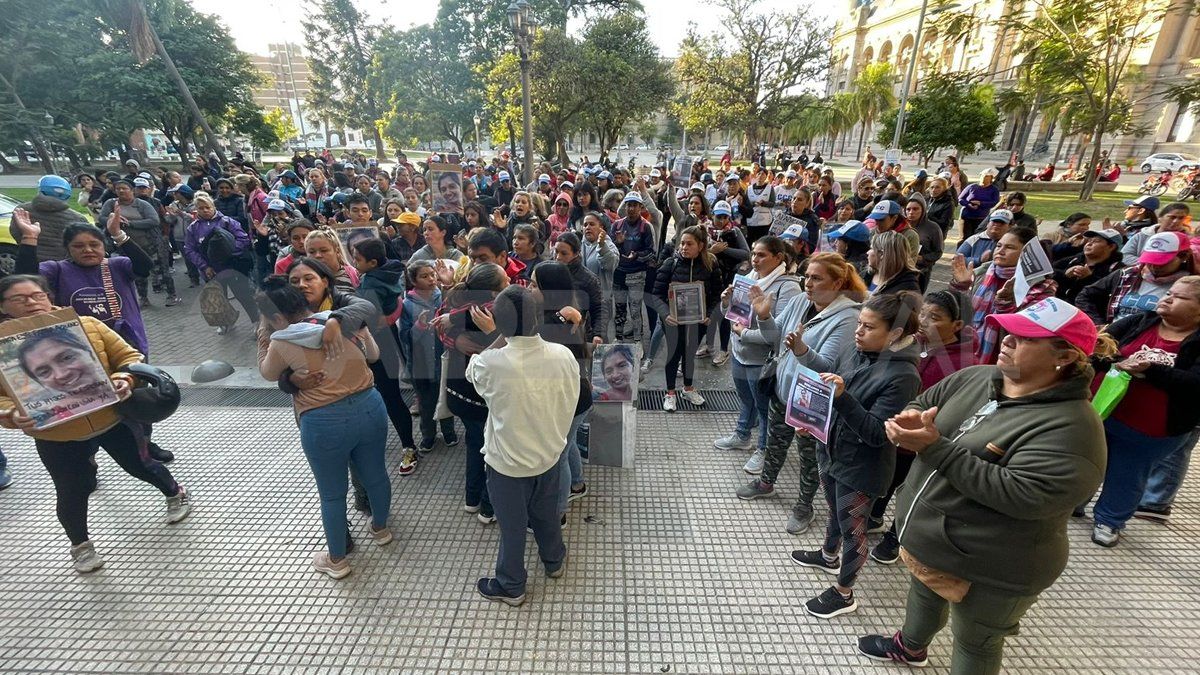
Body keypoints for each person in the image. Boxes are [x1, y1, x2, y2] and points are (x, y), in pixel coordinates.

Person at [862, 298, 1105, 674]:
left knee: (976, 642)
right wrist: (909, 416)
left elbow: (1024, 496)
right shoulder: (977, 378)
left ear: (1066, 357)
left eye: (1026, 337)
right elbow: (923, 400)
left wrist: (934, 448)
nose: (1007, 340)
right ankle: (910, 647)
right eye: (1009, 330)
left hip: (994, 567)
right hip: (935, 543)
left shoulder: (1073, 428)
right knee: (924, 596)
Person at [0, 275, 190, 573]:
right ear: (4, 307)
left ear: (48, 296)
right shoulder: (3, 348)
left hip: (112, 418)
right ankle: (80, 545)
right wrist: (12, 413)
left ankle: (175, 493)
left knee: (141, 464)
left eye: (37, 295)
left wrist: (124, 378)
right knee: (71, 489)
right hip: (57, 434)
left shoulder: (86, 325)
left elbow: (128, 356)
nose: (31, 303)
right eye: (19, 299)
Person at [791, 291, 922, 619]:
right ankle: (827, 555)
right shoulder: (856, 350)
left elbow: (878, 434)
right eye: (859, 324)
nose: (858, 331)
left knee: (854, 529)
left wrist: (843, 397)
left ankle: (844, 592)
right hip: (832, 449)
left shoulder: (904, 376)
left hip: (863, 466)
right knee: (834, 513)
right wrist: (812, 421)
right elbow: (831, 385)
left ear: (895, 334)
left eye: (869, 327)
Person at [255, 277, 390, 580]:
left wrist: (263, 339)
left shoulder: (281, 340)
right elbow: (374, 356)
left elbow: (267, 373)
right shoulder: (339, 320)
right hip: (370, 406)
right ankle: (381, 530)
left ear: (276, 318)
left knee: (331, 494)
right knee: (377, 474)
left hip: (323, 420)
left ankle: (337, 560)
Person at [736, 254, 866, 535]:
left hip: (812, 402)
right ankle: (766, 483)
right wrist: (764, 316)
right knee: (775, 440)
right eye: (807, 276)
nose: (808, 283)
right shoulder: (800, 301)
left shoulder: (847, 318)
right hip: (783, 391)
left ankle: (805, 506)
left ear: (838, 282)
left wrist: (802, 351)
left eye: (817, 278)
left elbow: (827, 366)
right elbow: (774, 335)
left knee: (810, 456)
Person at [469, 285, 576, 607]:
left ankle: (511, 584)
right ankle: (554, 561)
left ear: (500, 324)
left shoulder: (492, 362)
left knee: (513, 527)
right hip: (550, 456)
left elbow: (474, 370)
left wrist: (499, 334)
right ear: (538, 319)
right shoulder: (563, 355)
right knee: (545, 514)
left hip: (508, 465)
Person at [1085, 276, 1200, 547]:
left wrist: (1151, 370)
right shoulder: (1139, 321)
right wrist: (1118, 362)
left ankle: (1109, 520)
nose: (1168, 298)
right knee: (1086, 461)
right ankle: (1074, 502)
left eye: (1181, 297)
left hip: (1153, 428)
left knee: (1127, 473)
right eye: (1170, 292)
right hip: (1102, 412)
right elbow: (1096, 349)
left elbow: (1195, 384)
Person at [869, 289, 976, 565]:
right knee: (889, 478)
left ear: (957, 326)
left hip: (924, 441)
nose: (925, 321)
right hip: (896, 432)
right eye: (923, 313)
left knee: (910, 487)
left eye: (935, 317)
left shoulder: (961, 363)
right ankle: (875, 516)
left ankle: (896, 536)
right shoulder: (912, 343)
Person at [714, 236, 803, 455]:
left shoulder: (788, 288)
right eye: (753, 253)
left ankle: (764, 450)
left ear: (779, 257)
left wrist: (745, 334)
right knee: (746, 399)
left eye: (761, 255)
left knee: (764, 408)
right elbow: (733, 316)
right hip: (740, 353)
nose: (755, 259)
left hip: (762, 359)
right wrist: (726, 302)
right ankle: (742, 434)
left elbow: (779, 333)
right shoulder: (748, 278)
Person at [437, 263, 509, 525]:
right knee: (491, 450)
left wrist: (452, 332)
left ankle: (471, 498)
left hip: (459, 392)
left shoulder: (452, 304)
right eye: (505, 280)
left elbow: (439, 322)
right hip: (482, 395)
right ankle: (488, 508)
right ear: (492, 293)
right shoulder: (492, 314)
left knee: (473, 442)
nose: (511, 281)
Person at [351, 237, 419, 476]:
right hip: (386, 337)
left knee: (388, 395)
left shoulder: (370, 283)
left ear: (372, 262)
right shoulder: (391, 270)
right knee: (388, 394)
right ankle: (406, 443)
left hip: (375, 341)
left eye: (357, 259)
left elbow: (365, 318)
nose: (354, 263)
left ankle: (408, 445)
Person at [951, 227, 1057, 364]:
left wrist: (1005, 305)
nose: (1000, 251)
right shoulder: (981, 272)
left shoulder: (1042, 287)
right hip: (967, 350)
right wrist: (960, 286)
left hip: (1005, 357)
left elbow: (1028, 328)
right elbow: (959, 312)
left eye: (1010, 247)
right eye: (999, 245)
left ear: (1026, 254)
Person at [651, 226, 724, 411]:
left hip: (698, 322)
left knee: (690, 354)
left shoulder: (711, 265)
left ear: (700, 245)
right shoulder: (670, 264)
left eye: (689, 244)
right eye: (682, 243)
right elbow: (656, 295)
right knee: (674, 355)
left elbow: (717, 294)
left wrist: (709, 315)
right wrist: (666, 314)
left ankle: (688, 388)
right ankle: (669, 393)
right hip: (673, 321)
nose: (684, 247)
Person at [398, 260, 459, 454]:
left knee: (446, 396)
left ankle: (449, 432)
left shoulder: (442, 297)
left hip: (443, 358)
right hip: (421, 363)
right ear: (413, 280)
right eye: (425, 276)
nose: (431, 279)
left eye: (432, 274)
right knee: (426, 402)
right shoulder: (407, 304)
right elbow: (405, 337)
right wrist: (420, 325)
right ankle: (428, 435)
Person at [1077, 231, 1193, 326]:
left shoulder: (1191, 286)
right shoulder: (1127, 274)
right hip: (1112, 336)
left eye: (1162, 262)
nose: (1154, 266)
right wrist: (1098, 324)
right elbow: (1085, 295)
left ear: (1183, 256)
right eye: (1149, 261)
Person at [184, 192, 260, 334]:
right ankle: (226, 322)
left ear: (213, 207)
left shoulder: (227, 222)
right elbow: (189, 249)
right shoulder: (193, 228)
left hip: (232, 266)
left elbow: (243, 239)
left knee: (243, 295)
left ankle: (256, 321)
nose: (205, 210)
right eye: (201, 208)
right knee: (218, 297)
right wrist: (204, 266)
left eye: (207, 207)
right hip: (211, 270)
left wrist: (227, 251)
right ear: (196, 210)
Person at [702, 200, 751, 364]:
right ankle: (709, 346)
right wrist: (712, 250)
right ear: (712, 216)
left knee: (724, 316)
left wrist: (725, 249)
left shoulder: (735, 231)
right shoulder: (704, 230)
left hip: (728, 279)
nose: (722, 221)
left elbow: (745, 254)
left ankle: (723, 350)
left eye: (725, 217)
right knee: (709, 314)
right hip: (708, 279)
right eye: (718, 217)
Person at [611, 195, 657, 345]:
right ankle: (618, 339)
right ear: (625, 207)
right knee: (619, 308)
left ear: (641, 208)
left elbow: (651, 251)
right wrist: (619, 244)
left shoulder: (645, 227)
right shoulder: (617, 225)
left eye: (635, 205)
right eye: (628, 205)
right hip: (619, 273)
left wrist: (637, 255)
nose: (631, 208)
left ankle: (638, 342)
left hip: (637, 274)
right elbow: (610, 250)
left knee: (636, 310)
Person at [16, 175, 90, 264]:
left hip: (31, 259)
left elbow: (15, 232)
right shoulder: (77, 218)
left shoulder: (22, 210)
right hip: (63, 264)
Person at [1053, 229, 1125, 305]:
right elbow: (1049, 272)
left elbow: (1109, 297)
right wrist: (1065, 274)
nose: (1089, 244)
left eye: (1096, 241)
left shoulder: (1118, 269)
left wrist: (1088, 278)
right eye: (1089, 240)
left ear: (1111, 247)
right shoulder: (1075, 259)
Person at [1120, 202, 1190, 266]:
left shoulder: (1188, 240)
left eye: (1181, 218)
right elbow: (1124, 255)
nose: (1176, 221)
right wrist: (1149, 264)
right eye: (1172, 217)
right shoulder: (1143, 235)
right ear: (1160, 218)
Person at [904, 195, 944, 292]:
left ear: (923, 210)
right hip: (901, 269)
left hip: (921, 271)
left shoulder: (933, 228)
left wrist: (923, 258)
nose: (911, 212)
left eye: (915, 209)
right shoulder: (902, 225)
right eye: (908, 209)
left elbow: (938, 252)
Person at [303, 227, 360, 292]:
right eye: (312, 252)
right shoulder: (303, 280)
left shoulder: (353, 274)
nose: (318, 255)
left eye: (324, 250)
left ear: (337, 251)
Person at [866, 230, 921, 296]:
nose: (867, 252)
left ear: (882, 254)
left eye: (871, 248)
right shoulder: (868, 274)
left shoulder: (907, 289)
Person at [957, 169, 1002, 243]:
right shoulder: (972, 187)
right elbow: (960, 199)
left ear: (991, 179)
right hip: (967, 216)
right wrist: (968, 204)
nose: (984, 179)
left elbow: (994, 202)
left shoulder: (994, 190)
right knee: (964, 238)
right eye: (983, 176)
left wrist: (980, 203)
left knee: (977, 237)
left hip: (981, 217)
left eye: (987, 177)